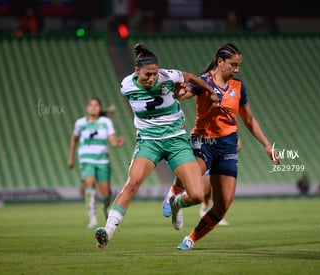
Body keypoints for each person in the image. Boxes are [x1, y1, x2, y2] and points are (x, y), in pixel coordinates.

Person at [94, 44, 219, 249]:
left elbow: (189, 76)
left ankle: (176, 204)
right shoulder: (126, 86)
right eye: (147, 75)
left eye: (154, 74)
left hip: (176, 141)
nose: (152, 78)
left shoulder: (168, 76)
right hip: (148, 142)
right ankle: (107, 232)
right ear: (136, 71)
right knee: (132, 183)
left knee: (196, 195)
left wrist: (210, 91)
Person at [162, 43, 280, 250]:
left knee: (223, 205)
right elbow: (185, 94)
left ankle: (189, 236)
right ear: (220, 62)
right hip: (203, 142)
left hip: (227, 147)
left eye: (239, 66)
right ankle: (173, 192)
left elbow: (249, 120)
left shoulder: (238, 87)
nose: (236, 70)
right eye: (233, 65)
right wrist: (179, 92)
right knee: (192, 180)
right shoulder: (204, 81)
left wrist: (267, 145)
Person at [68, 97, 125, 228]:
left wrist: (117, 143)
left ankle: (106, 207)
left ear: (100, 108)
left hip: (102, 160)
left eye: (96, 105)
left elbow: (112, 140)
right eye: (91, 105)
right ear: (87, 108)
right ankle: (92, 218)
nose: (93, 107)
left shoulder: (106, 122)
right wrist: (71, 159)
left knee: (105, 193)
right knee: (89, 184)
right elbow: (74, 140)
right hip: (86, 159)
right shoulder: (80, 123)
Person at [199, 137, 242, 226]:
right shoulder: (203, 127)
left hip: (223, 160)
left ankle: (221, 216)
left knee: (222, 191)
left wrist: (227, 148)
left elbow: (239, 147)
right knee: (206, 191)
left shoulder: (230, 130)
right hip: (209, 160)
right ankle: (205, 206)